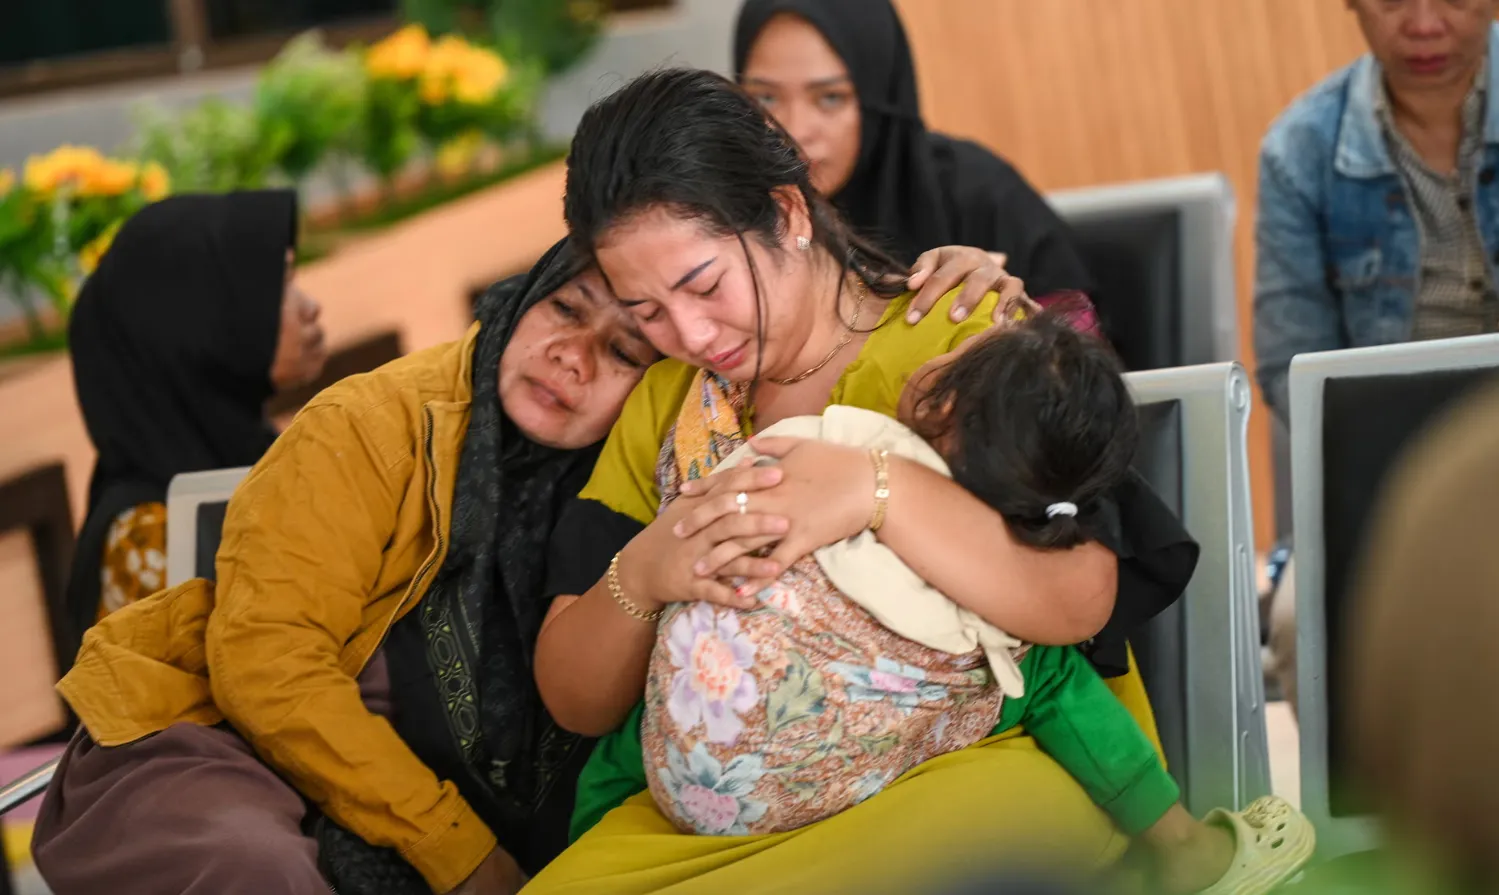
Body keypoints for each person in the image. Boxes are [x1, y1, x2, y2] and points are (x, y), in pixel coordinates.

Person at [33, 226, 1019, 894]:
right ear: (519, 298)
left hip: (463, 803)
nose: (574, 359)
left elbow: (780, 278)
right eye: (563, 312)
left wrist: (945, 266)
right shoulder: (369, 425)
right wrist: (463, 858)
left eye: (626, 352)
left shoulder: (650, 458)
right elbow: (264, 664)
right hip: (219, 755)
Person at [527, 68, 1200, 894]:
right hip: (721, 810)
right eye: (647, 310)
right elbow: (573, 698)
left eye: (703, 284)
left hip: (962, 764)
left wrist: (878, 491)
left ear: (786, 212)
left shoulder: (955, 343)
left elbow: (1080, 597)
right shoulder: (666, 405)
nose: (690, 333)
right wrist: (647, 568)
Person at [642, 303, 1313, 893]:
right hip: (788, 792)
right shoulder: (1000, 555)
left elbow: (725, 495)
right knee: (1047, 673)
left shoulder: (845, 442)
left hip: (680, 776)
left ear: (937, 403)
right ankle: (1182, 847)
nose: (947, 343)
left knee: (696, 634)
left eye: (957, 351)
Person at [1253, 0, 1499, 717]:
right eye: (1392, 1)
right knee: (1303, 620)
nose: (1422, 25)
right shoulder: (1299, 149)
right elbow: (1287, 365)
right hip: (1390, 470)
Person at [63, 190, 325, 657]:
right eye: (280, 286)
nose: (309, 306)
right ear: (201, 324)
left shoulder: (257, 448)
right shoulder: (149, 536)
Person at [734, 0, 1095, 309]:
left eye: (830, 98)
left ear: (881, 95)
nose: (793, 129)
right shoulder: (727, 210)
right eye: (765, 97)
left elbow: (1080, 355)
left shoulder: (979, 195)